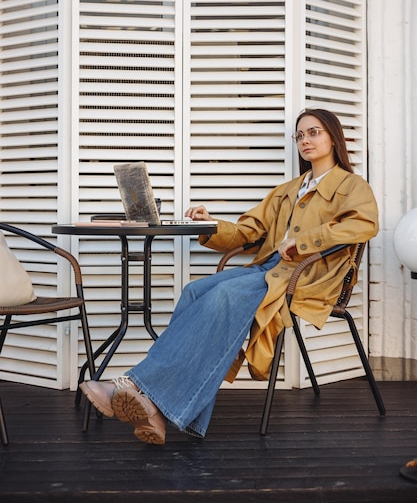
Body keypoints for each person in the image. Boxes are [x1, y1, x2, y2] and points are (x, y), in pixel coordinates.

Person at [80, 108, 379, 445]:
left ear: (333, 137)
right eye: (300, 135)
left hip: (306, 278)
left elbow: (364, 225)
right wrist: (211, 222)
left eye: (314, 132)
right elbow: (249, 231)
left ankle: (134, 385)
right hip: (269, 271)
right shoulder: (288, 190)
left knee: (223, 297)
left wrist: (304, 241)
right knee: (195, 291)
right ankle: (157, 410)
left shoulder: (352, 186)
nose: (305, 140)